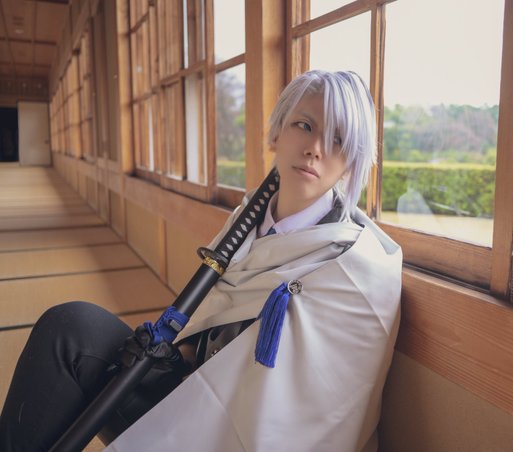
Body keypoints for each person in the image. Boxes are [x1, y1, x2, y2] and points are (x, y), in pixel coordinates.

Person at [0, 70, 403, 452]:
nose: (315, 148)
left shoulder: (354, 266)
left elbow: (326, 409)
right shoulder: (248, 217)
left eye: (337, 139)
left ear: (351, 161)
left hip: (246, 431)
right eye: (305, 125)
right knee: (70, 327)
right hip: (188, 392)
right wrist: (175, 356)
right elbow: (209, 314)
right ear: (277, 131)